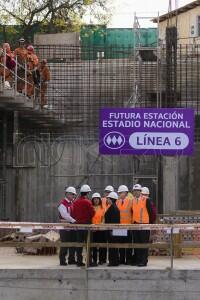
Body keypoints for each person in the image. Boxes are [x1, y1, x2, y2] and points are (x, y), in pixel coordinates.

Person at [71, 184, 95, 267]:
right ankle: (89, 261)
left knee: (79, 244)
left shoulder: (75, 202)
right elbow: (92, 213)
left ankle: (79, 261)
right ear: (87, 193)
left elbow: (73, 214)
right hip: (87, 225)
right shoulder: (88, 202)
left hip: (78, 226)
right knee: (89, 244)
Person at [132, 184, 153, 267]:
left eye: (138, 190)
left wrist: (149, 224)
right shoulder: (133, 200)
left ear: (140, 191)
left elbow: (151, 213)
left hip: (144, 225)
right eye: (135, 191)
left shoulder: (146, 200)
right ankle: (138, 260)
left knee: (144, 244)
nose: (136, 192)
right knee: (137, 243)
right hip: (135, 225)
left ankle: (143, 261)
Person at [58, 186, 77, 266]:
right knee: (65, 244)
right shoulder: (62, 204)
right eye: (71, 194)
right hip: (64, 227)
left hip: (72, 226)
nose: (72, 196)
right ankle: (62, 260)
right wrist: (74, 220)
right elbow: (65, 215)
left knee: (73, 243)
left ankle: (71, 259)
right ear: (66, 194)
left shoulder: (72, 203)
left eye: (73, 194)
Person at [116, 185, 133, 265]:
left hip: (128, 226)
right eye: (119, 193)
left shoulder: (130, 201)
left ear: (126, 193)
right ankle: (121, 259)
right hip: (119, 227)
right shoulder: (117, 202)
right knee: (121, 244)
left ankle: (128, 260)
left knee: (128, 244)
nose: (119, 194)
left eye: (121, 192)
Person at [104, 191, 120, 267]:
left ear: (112, 199)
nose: (107, 200)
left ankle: (113, 262)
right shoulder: (114, 207)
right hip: (113, 230)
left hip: (112, 230)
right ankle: (114, 261)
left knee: (112, 246)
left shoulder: (113, 208)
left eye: (108, 198)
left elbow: (113, 221)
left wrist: (111, 230)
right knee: (113, 246)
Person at [91, 193, 106, 266]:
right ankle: (94, 260)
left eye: (97, 199)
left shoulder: (103, 208)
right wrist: (92, 227)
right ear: (92, 200)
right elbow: (89, 218)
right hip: (92, 230)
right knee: (93, 246)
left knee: (101, 246)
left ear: (100, 200)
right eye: (94, 199)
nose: (96, 200)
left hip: (100, 230)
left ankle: (101, 260)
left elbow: (103, 218)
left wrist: (100, 226)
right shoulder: (90, 207)